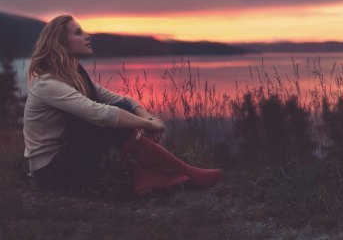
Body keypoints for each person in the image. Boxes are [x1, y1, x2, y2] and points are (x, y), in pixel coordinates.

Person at [23, 15, 222, 195]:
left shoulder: (75, 75)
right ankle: (181, 171)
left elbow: (121, 100)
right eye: (78, 33)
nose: (87, 35)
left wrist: (147, 118)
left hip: (71, 159)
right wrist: (148, 125)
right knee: (106, 116)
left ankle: (147, 176)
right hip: (51, 174)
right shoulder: (47, 84)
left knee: (121, 109)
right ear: (60, 44)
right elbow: (99, 113)